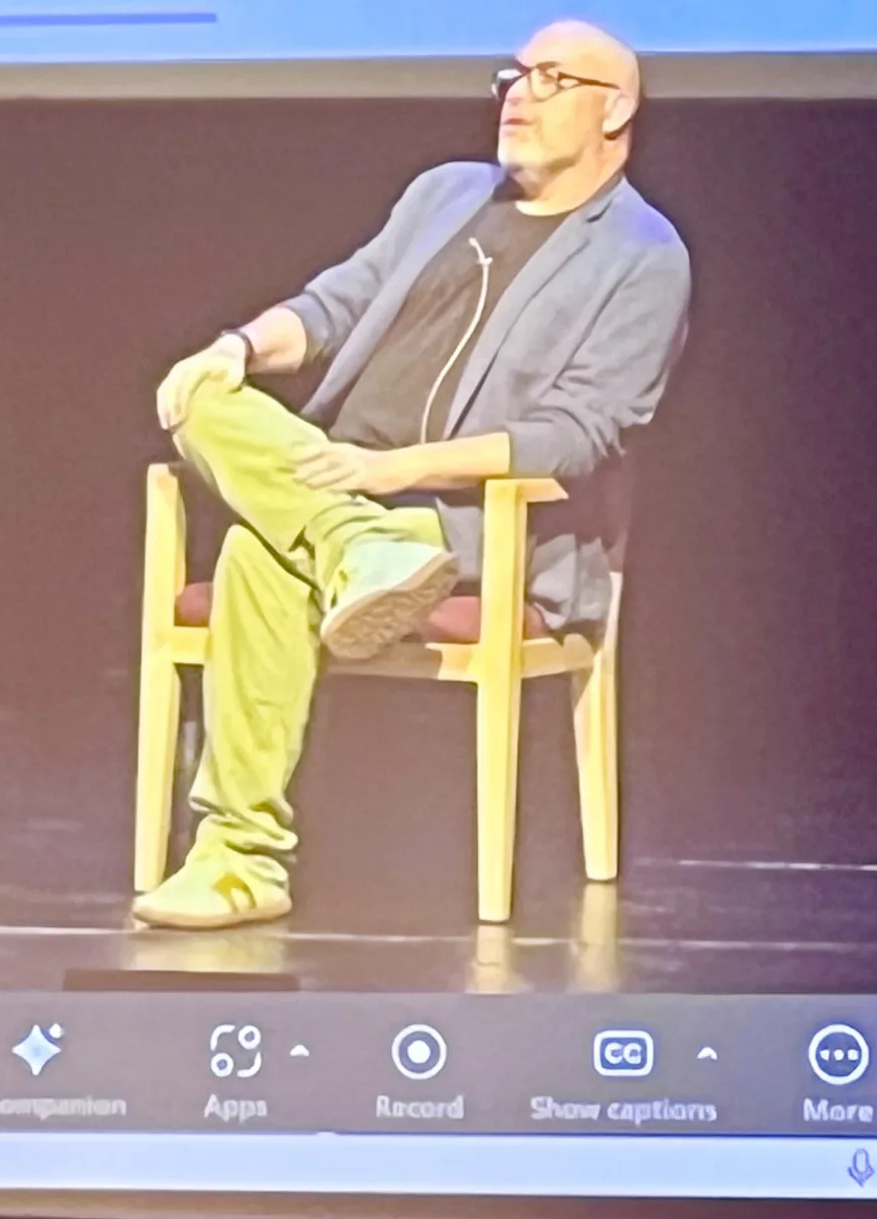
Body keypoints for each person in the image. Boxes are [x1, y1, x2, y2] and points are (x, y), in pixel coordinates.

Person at [133, 19, 690, 931]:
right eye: (515, 74)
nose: (519, 94)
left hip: (474, 522)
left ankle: (241, 856)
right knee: (200, 400)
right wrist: (235, 349)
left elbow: (577, 436)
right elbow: (334, 303)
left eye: (552, 79)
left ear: (615, 110)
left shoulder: (643, 255)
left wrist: (392, 472)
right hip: (344, 491)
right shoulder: (444, 193)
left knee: (260, 551)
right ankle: (355, 548)